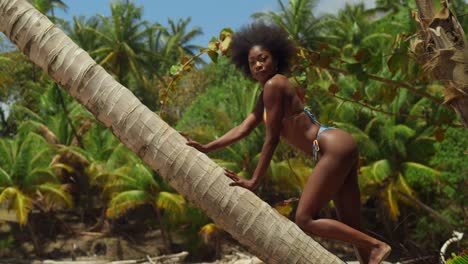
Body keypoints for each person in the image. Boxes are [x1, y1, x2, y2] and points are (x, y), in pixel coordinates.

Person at [184, 23, 391, 264]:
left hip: (331, 148)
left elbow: (271, 139)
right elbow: (245, 127)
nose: (259, 65)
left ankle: (376, 245)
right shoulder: (268, 91)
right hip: (337, 145)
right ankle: (370, 256)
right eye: (253, 63)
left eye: (263, 58)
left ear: (276, 58)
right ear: (247, 68)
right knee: (352, 224)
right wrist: (208, 147)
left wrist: (254, 181)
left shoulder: (274, 85)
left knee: (304, 219)